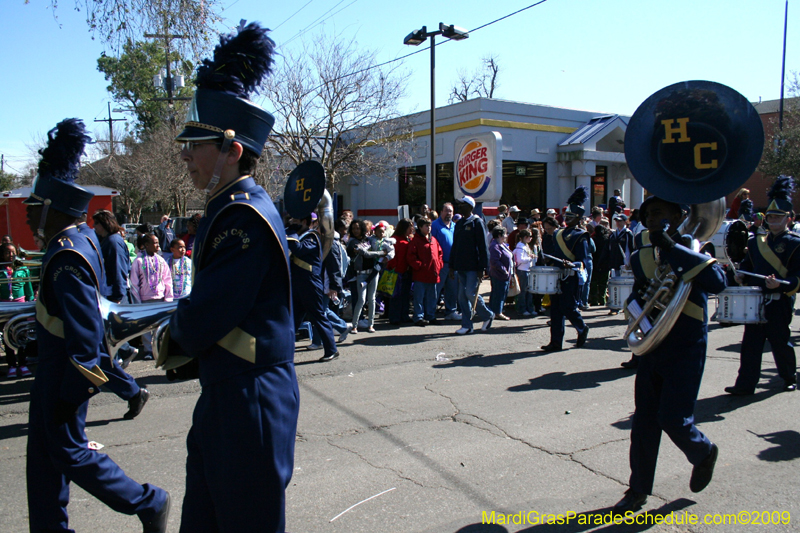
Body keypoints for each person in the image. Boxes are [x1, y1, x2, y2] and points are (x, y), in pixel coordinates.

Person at [158, 22, 299, 533]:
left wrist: (166, 331)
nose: (185, 156)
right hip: (227, 394)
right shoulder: (229, 210)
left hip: (249, 400)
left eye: (196, 144)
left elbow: (199, 323)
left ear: (232, 148)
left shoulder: (243, 217)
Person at [24, 118, 170, 533]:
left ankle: (148, 501)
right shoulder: (79, 239)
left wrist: (73, 394)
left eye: (35, 205)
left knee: (69, 453)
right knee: (44, 463)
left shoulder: (67, 256)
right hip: (52, 375)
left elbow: (86, 338)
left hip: (62, 381)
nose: (30, 212)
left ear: (52, 209)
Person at [613, 195, 726, 514]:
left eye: (659, 213)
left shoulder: (694, 248)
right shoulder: (641, 255)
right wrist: (634, 311)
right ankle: (637, 490)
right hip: (652, 346)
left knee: (674, 419)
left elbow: (716, 283)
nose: (650, 218)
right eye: (647, 213)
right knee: (644, 421)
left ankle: (703, 451)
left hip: (687, 345)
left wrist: (673, 248)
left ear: (679, 216)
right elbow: (640, 293)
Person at [725, 176, 799, 395]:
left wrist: (781, 285)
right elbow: (748, 267)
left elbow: (798, 275)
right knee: (751, 345)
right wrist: (740, 278)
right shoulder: (755, 243)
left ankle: (788, 377)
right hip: (756, 301)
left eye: (779, 216)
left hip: (779, 301)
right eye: (771, 216)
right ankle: (745, 384)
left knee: (780, 343)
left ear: (788, 219)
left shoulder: (795, 244)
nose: (774, 220)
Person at [540, 187, 590, 352]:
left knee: (568, 307)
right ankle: (555, 342)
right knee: (555, 310)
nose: (567, 219)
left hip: (571, 276)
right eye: (566, 216)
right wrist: (549, 258)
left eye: (571, 217)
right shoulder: (558, 233)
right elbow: (555, 252)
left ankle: (582, 328)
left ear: (578, 218)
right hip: (557, 275)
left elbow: (582, 260)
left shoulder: (581, 236)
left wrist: (573, 265)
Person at [287, 213, 339, 362]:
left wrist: (290, 232)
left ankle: (331, 349)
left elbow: (298, 249)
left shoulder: (312, 237)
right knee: (293, 319)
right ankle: (286, 350)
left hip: (310, 283)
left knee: (318, 316)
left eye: (295, 220)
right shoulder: (300, 236)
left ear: (304, 221)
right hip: (298, 283)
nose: (292, 222)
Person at [450, 195, 494, 335]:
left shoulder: (477, 222)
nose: (460, 207)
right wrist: (452, 265)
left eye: (463, 204)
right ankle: (467, 325)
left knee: (470, 293)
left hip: (473, 267)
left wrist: (483, 267)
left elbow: (483, 246)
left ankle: (487, 315)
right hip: (460, 266)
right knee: (462, 297)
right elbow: (455, 246)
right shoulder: (459, 223)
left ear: (470, 206)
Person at [130, 233, 174, 359]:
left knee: (159, 326)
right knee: (146, 327)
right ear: (146, 245)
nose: (157, 245)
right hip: (145, 300)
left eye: (158, 242)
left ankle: (158, 349)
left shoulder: (161, 260)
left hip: (160, 299)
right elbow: (134, 283)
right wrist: (137, 303)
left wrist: (168, 299)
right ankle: (148, 350)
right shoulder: (138, 261)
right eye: (154, 243)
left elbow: (167, 280)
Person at [1, 242, 35, 378]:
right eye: (7, 252)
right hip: (5, 306)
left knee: (21, 335)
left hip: (20, 306)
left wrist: (31, 304)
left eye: (13, 252)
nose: (10, 255)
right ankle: (11, 366)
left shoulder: (23, 269)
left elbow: (29, 290)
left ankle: (23, 364)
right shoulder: (0, 269)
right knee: (7, 336)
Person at [346, 219, 381, 333]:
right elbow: (362, 253)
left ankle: (371, 324)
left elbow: (376, 250)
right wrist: (381, 253)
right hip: (360, 274)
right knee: (361, 300)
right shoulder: (351, 242)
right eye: (353, 228)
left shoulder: (369, 240)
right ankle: (354, 325)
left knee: (372, 299)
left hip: (373, 272)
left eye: (358, 228)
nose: (356, 230)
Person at [407, 217, 443, 325]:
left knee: (432, 297)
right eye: (426, 226)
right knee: (419, 297)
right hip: (421, 275)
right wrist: (419, 266)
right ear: (420, 227)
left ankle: (430, 315)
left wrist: (439, 265)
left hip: (433, 273)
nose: (429, 228)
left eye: (430, 225)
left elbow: (440, 253)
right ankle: (418, 317)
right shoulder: (416, 241)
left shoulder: (434, 240)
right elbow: (411, 257)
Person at [431, 203, 460, 321]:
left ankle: (450, 312)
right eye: (446, 211)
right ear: (441, 212)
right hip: (440, 264)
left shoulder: (455, 226)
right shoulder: (435, 225)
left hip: (453, 264)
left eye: (451, 211)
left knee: (452, 290)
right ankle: (430, 313)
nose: (449, 213)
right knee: (435, 290)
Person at [387, 218, 414, 325]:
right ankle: (394, 317)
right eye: (409, 227)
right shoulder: (395, 239)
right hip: (396, 272)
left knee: (405, 295)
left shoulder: (408, 239)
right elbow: (391, 257)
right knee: (396, 296)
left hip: (407, 272)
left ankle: (404, 315)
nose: (411, 229)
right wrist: (394, 268)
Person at [488, 226, 513, 321]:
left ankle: (495, 311)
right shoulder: (494, 246)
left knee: (501, 293)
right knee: (499, 294)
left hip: (504, 275)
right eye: (504, 234)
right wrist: (504, 270)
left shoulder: (501, 244)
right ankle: (497, 312)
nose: (506, 236)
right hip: (499, 275)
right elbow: (494, 261)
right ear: (499, 235)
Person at [589, 223, 612, 307]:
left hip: (594, 263)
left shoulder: (593, 239)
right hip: (605, 264)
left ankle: (594, 300)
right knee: (603, 283)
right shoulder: (607, 239)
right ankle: (602, 299)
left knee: (594, 282)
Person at [513, 229, 536, 316]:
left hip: (527, 270)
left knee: (529, 291)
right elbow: (520, 260)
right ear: (525, 237)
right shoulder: (520, 247)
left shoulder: (525, 246)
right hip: (523, 271)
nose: (531, 238)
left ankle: (529, 308)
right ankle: (522, 309)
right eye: (530, 236)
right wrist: (530, 258)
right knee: (523, 291)